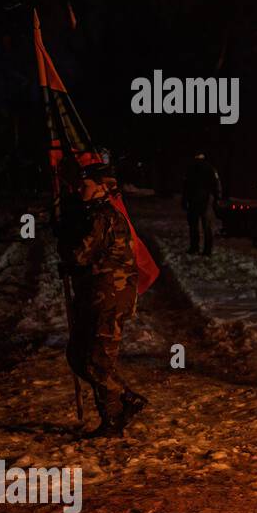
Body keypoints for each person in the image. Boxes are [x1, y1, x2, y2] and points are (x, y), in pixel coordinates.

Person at [58, 162, 147, 437]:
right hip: (95, 294)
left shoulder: (102, 217)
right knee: (78, 355)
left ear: (101, 188)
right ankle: (123, 404)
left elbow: (79, 255)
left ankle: (117, 414)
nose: (78, 189)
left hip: (109, 295)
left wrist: (64, 234)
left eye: (85, 185)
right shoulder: (93, 214)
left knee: (96, 362)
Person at [181, 153, 222, 256]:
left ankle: (195, 247)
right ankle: (206, 250)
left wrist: (184, 200)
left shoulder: (191, 168)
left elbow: (186, 186)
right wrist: (217, 198)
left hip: (195, 200)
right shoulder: (210, 168)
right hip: (205, 200)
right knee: (206, 226)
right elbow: (217, 184)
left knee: (194, 226)